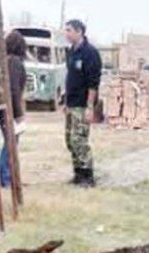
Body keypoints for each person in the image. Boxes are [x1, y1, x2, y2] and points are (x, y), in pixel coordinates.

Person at [64, 19, 102, 188]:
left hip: (82, 104)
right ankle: (78, 173)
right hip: (71, 103)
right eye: (66, 30)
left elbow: (93, 83)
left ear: (79, 32)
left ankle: (88, 176)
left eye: (69, 30)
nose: (66, 33)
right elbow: (70, 78)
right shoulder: (71, 51)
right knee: (70, 140)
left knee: (79, 139)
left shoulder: (90, 53)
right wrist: (66, 102)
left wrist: (89, 107)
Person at [0, 31, 27, 188]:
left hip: (0, 108)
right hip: (8, 110)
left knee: (10, 142)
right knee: (11, 143)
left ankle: (4, 176)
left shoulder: (3, 60)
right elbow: (14, 90)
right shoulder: (15, 62)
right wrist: (19, 115)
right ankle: (4, 178)